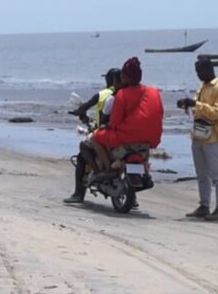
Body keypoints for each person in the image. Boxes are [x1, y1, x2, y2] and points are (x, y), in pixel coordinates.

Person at [83, 57, 163, 173]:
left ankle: (107, 169)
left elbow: (114, 122)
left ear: (126, 77)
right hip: (151, 139)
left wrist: (105, 126)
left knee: (96, 138)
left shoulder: (122, 94)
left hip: (127, 138)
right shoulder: (154, 92)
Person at [178, 58, 218, 222]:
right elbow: (198, 107)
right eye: (196, 72)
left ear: (209, 68)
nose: (198, 74)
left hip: (214, 136)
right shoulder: (202, 86)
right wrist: (188, 104)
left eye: (200, 71)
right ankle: (204, 205)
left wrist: (197, 104)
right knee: (202, 174)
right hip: (199, 134)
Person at [64, 68, 123, 204]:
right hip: (122, 135)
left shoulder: (103, 94)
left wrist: (78, 111)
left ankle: (79, 193)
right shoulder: (125, 94)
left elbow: (84, 107)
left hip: (105, 134)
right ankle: (133, 198)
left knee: (82, 156)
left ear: (110, 80)